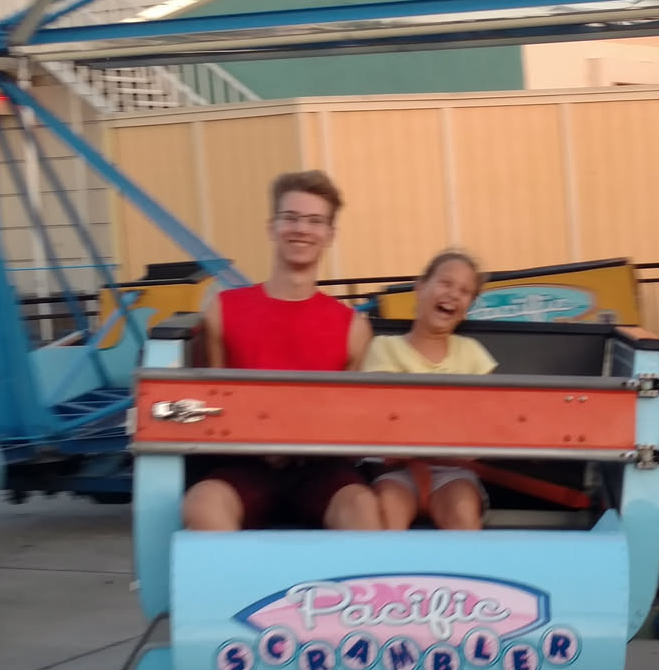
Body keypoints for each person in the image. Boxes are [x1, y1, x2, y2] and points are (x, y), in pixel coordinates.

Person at [180, 171, 381, 532]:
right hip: (243, 465)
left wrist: (301, 444)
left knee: (362, 509)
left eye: (315, 221)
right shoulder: (223, 310)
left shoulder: (353, 328)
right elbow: (213, 405)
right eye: (291, 217)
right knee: (202, 504)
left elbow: (350, 421)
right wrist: (259, 442)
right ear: (272, 227)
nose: (301, 229)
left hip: (320, 469)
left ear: (329, 234)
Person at [362, 249, 499, 531]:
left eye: (464, 291)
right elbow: (384, 414)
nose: (453, 294)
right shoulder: (384, 347)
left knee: (462, 510)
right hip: (396, 471)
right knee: (387, 508)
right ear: (420, 287)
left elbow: (486, 420)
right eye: (445, 283)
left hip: (454, 472)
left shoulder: (473, 354)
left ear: (469, 306)